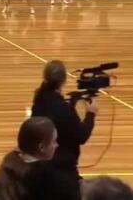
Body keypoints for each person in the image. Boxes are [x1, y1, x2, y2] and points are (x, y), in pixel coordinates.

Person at [32, 60, 97, 193]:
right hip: (63, 169)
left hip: (42, 166)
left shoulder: (38, 102)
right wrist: (90, 114)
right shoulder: (63, 109)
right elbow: (81, 136)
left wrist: (70, 106)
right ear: (63, 80)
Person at [0, 116, 80, 200]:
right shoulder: (47, 180)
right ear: (41, 147)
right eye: (54, 141)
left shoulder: (4, 171)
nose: (57, 145)